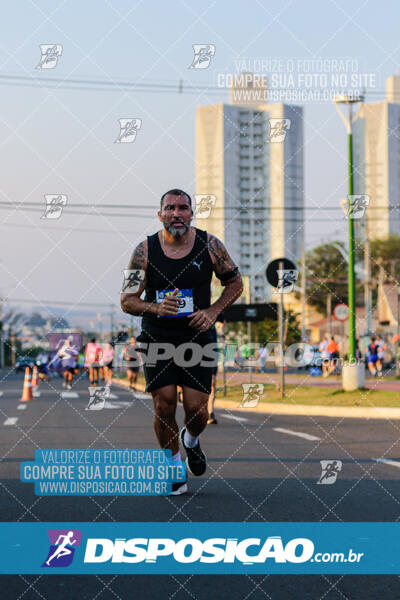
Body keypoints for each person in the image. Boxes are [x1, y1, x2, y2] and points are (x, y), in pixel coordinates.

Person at [121, 189, 243, 495]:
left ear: (191, 213)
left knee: (197, 410)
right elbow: (127, 300)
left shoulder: (210, 245)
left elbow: (235, 282)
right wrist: (155, 308)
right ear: (160, 214)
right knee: (163, 404)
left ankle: (191, 440)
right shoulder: (144, 251)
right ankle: (174, 465)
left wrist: (214, 311)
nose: (177, 213)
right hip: (157, 337)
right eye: (170, 208)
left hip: (198, 336)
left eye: (183, 208)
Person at [207, 325, 219, 425]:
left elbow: (223, 322)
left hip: (212, 350)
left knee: (212, 383)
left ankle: (210, 413)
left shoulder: (214, 310)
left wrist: (222, 335)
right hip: (192, 348)